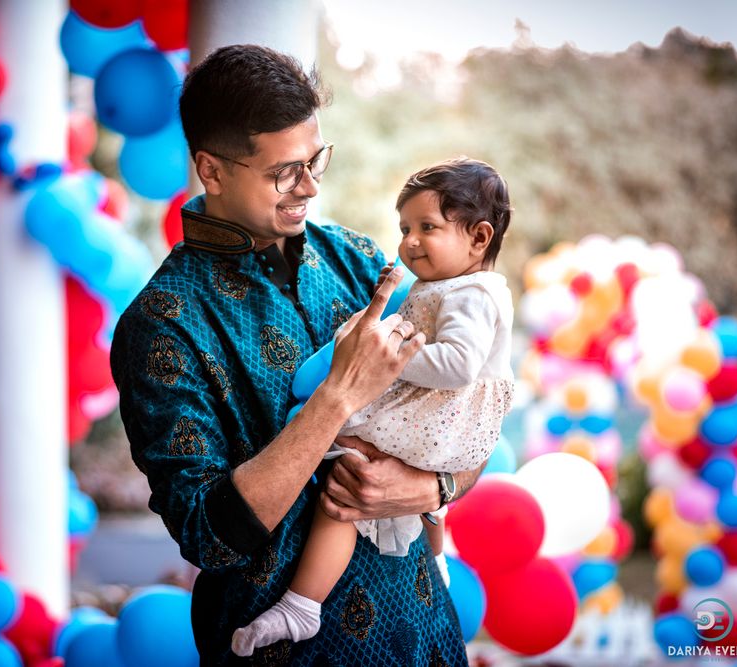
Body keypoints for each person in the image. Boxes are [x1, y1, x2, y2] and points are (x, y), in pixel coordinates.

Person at [110, 44, 482, 665]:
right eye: (285, 171)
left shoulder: (358, 259)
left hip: (424, 635)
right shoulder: (162, 325)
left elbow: (467, 414)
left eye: (316, 160)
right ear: (213, 169)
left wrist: (431, 487)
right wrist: (337, 397)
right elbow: (209, 533)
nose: (309, 186)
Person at [233, 158, 514, 656]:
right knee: (367, 476)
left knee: (345, 471)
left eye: (428, 227)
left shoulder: (474, 294)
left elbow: (459, 366)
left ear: (479, 238)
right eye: (405, 227)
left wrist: (383, 359)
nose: (409, 241)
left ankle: (303, 602)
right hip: (436, 422)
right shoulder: (436, 283)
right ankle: (436, 555)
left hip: (438, 418)